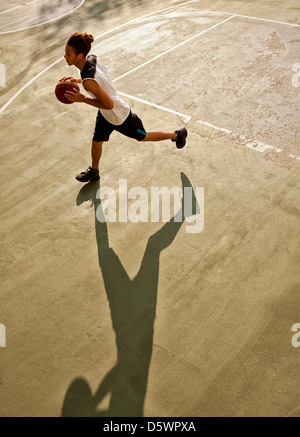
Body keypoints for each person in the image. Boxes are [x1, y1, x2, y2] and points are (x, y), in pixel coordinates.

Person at [61, 32, 188, 182]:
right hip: (105, 114)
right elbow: (98, 81)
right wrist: (77, 80)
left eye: (68, 53)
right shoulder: (92, 59)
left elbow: (109, 104)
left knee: (143, 136)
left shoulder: (89, 81)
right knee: (96, 142)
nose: (65, 56)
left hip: (120, 116)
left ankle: (177, 135)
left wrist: (82, 99)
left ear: (81, 55)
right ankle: (94, 171)